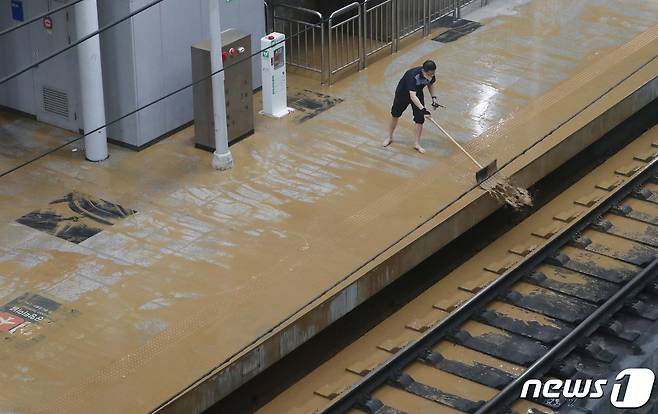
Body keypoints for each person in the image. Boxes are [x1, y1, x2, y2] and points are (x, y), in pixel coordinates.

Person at [383, 60, 438, 154]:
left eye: (433, 73)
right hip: (403, 94)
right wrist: (423, 109)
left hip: (418, 93)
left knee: (420, 119)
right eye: (430, 74)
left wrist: (433, 98)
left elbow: (430, 84)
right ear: (424, 71)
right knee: (395, 115)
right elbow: (412, 96)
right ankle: (389, 137)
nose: (431, 76)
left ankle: (416, 143)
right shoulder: (413, 76)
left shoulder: (431, 74)